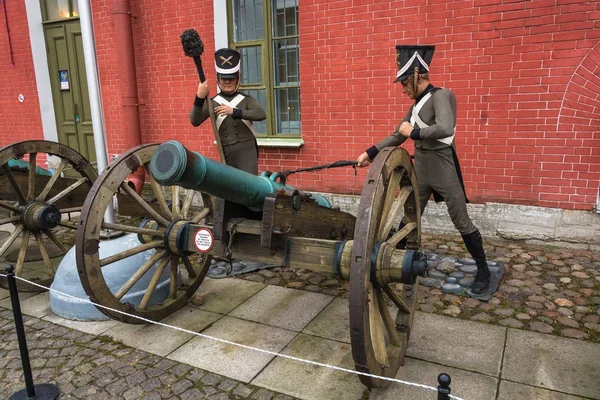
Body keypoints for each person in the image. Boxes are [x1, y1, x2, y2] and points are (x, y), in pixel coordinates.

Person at [356, 45, 491, 294]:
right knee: (410, 215)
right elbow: (398, 135)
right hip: (422, 169)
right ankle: (397, 261)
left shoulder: (441, 95)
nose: (403, 90)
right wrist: (369, 152)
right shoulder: (416, 106)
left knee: (460, 220)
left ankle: (483, 270)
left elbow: (445, 128)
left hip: (443, 166)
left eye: (404, 84)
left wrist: (415, 132)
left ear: (416, 77)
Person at [190, 48, 266, 175]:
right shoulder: (212, 102)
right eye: (224, 79)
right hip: (226, 151)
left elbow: (261, 114)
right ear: (218, 80)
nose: (227, 82)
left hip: (247, 151)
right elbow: (195, 121)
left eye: (231, 78)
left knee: (248, 186)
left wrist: (234, 112)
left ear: (237, 79)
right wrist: (199, 97)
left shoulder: (246, 100)